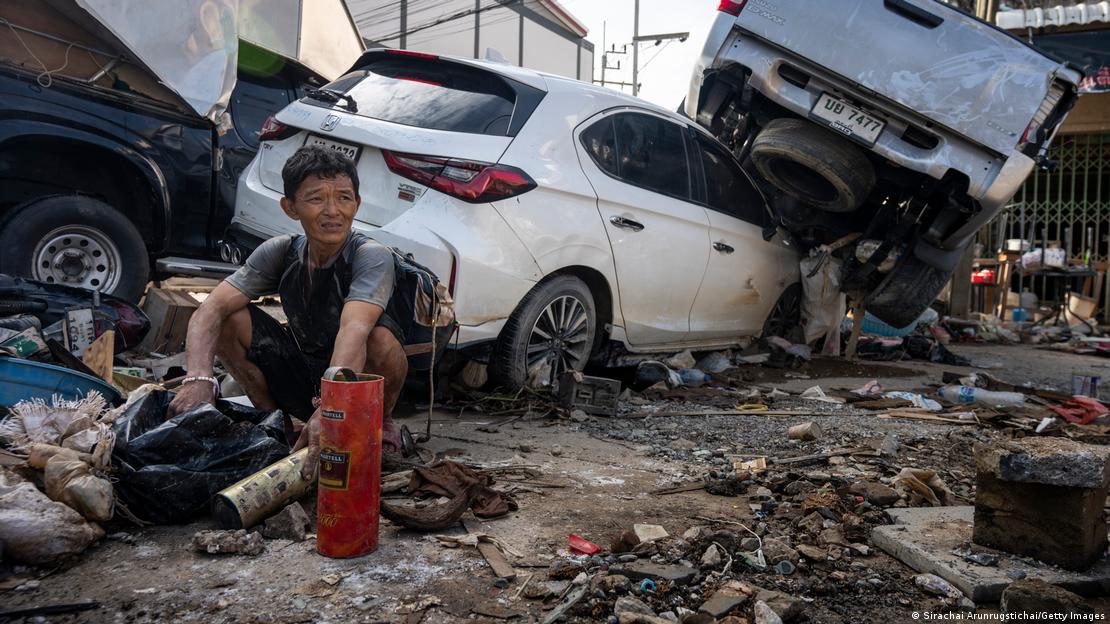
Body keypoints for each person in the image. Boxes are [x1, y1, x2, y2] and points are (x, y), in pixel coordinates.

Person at [167, 146, 408, 478]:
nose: (332, 211)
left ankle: (384, 424)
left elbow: (354, 329)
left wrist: (332, 407)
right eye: (316, 199)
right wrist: (198, 380)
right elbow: (210, 309)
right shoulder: (280, 252)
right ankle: (277, 425)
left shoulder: (370, 256)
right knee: (228, 318)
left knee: (382, 339)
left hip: (355, 379)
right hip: (302, 372)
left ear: (357, 204)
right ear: (290, 207)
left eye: (343, 198)